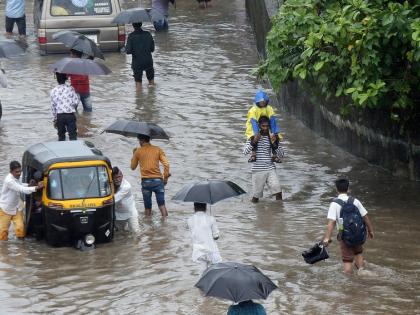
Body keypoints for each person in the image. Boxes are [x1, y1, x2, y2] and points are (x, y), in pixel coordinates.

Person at [322, 178, 374, 273]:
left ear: (336, 189)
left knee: (347, 259)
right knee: (358, 253)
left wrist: (327, 238)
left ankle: (350, 280)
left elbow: (331, 223)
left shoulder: (334, 204)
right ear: (348, 188)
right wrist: (370, 231)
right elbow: (365, 217)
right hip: (358, 233)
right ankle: (362, 272)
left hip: (344, 236)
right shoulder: (355, 201)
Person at [243, 116, 283, 203]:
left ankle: (279, 212)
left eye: (267, 126)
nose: (265, 128)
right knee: (256, 197)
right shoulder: (253, 137)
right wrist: (254, 142)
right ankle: (257, 212)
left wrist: (275, 144)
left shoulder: (272, 137)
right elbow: (245, 152)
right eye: (263, 126)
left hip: (270, 168)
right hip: (257, 169)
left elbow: (282, 154)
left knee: (278, 191)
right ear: (259, 126)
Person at [0, 161, 43, 241]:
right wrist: (36, 188)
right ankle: (4, 250)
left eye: (20, 171)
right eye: (17, 172)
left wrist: (30, 185)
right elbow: (21, 189)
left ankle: (21, 249)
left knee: (21, 230)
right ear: (11, 171)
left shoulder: (16, 178)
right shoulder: (9, 180)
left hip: (17, 207)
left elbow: (20, 185)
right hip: (6, 209)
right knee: (3, 234)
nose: (19, 173)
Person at [130, 134, 170, 216]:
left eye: (139, 140)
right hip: (158, 181)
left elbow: (132, 167)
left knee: (147, 208)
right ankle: (165, 225)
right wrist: (165, 179)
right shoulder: (158, 149)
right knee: (162, 206)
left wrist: (134, 154)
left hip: (146, 182)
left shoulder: (138, 151)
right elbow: (166, 164)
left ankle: (148, 227)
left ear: (141, 140)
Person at [245, 90, 282, 163]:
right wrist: (256, 134)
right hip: (253, 126)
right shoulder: (253, 110)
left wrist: (274, 132)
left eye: (264, 101)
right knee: (253, 137)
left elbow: (272, 120)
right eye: (261, 102)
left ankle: (275, 155)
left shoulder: (269, 108)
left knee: (276, 137)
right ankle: (253, 154)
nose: (263, 103)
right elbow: (254, 122)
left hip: (268, 125)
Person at [187, 202, 222, 273]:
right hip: (211, 251)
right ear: (206, 208)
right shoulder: (211, 219)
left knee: (202, 275)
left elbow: (193, 234)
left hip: (198, 253)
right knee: (216, 273)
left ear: (194, 208)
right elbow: (216, 236)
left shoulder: (189, 220)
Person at [126, 23, 155, 92]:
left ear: (133, 25)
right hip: (148, 61)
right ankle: (151, 99)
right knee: (151, 83)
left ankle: (139, 100)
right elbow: (152, 49)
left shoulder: (131, 36)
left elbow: (128, 51)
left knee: (138, 84)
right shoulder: (148, 34)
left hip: (137, 63)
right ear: (141, 24)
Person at [50, 72, 79, 141]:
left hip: (60, 116)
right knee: (73, 136)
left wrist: (54, 119)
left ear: (57, 79)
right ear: (66, 78)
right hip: (70, 115)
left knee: (61, 137)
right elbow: (76, 102)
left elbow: (53, 107)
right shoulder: (71, 88)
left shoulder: (53, 91)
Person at [112, 167, 140, 234]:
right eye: (115, 178)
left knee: (136, 232)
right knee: (119, 233)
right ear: (111, 178)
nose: (117, 179)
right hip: (117, 214)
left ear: (122, 176)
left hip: (130, 213)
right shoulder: (109, 185)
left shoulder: (126, 186)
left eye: (119, 177)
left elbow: (114, 199)